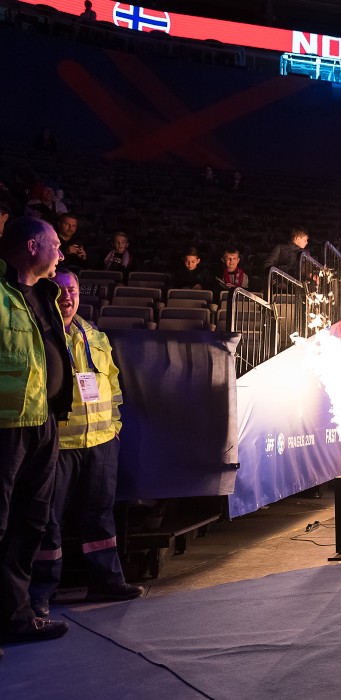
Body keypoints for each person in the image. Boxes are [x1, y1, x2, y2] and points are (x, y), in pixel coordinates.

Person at [29, 269, 144, 617]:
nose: (67, 297)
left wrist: (116, 426)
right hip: (58, 446)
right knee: (48, 521)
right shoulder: (39, 335)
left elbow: (113, 385)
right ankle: (39, 594)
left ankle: (106, 581)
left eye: (73, 290)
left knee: (100, 516)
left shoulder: (94, 334)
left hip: (101, 442)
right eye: (60, 290)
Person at [0, 217, 74, 655]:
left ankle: (15, 615)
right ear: (31, 246)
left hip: (42, 422)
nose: (61, 253)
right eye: (56, 244)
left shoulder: (47, 294)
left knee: (30, 521)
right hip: (6, 428)